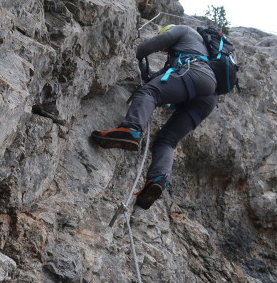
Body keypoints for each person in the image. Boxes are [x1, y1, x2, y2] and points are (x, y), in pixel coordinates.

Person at [91, 24, 217, 209]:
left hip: (194, 73)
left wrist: (135, 52)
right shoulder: (193, 50)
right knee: (166, 140)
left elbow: (151, 46)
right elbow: (159, 78)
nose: (166, 50)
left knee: (148, 93)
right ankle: (157, 180)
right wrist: (146, 72)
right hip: (208, 97)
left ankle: (131, 130)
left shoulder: (183, 30)